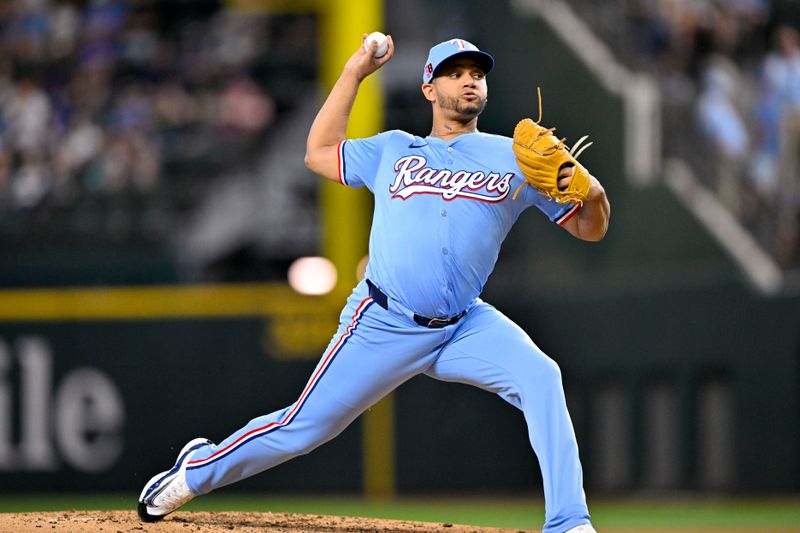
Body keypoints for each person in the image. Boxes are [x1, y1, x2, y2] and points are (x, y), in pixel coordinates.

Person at [138, 35, 610, 533]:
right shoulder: (394, 149)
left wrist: (594, 193)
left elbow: (590, 228)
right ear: (429, 87)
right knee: (303, 428)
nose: (469, 79)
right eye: (454, 72)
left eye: (477, 72)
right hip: (384, 321)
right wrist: (355, 73)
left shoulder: (517, 158)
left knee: (542, 376)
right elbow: (318, 153)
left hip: (465, 324)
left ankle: (569, 523)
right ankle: (198, 469)